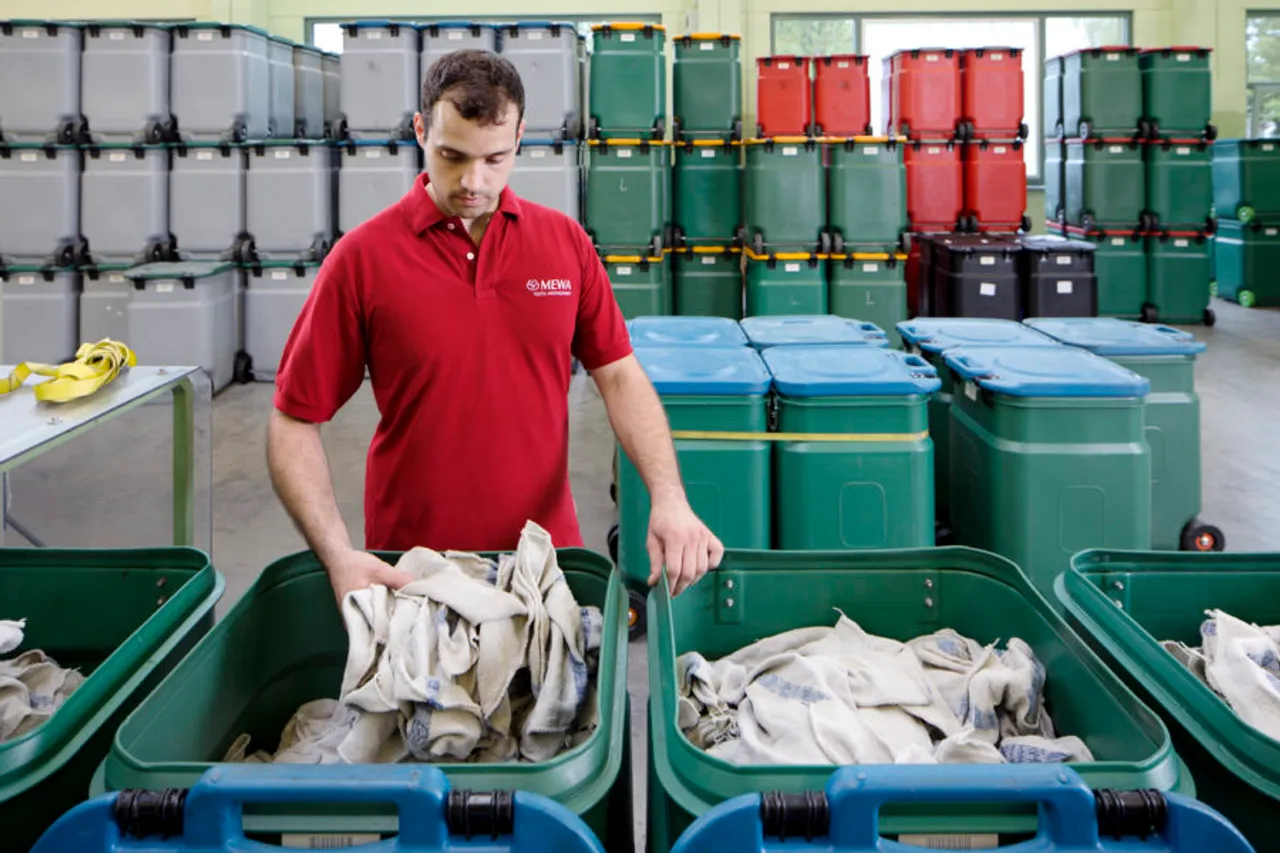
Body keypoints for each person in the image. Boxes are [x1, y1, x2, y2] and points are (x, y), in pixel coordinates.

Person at [266, 49, 723, 606]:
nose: (472, 182)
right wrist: (338, 554)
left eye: (495, 159)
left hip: (544, 564)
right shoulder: (362, 259)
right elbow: (293, 420)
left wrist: (668, 497)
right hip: (412, 570)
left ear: (521, 138)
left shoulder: (565, 245)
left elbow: (620, 376)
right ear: (419, 131)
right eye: (451, 155)